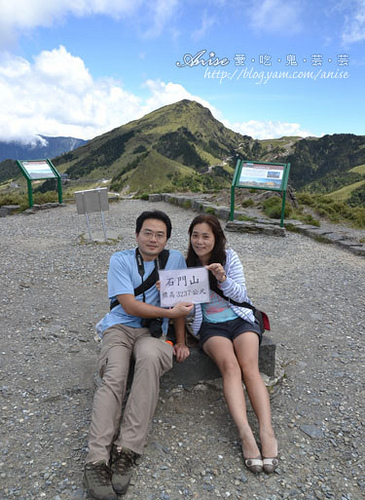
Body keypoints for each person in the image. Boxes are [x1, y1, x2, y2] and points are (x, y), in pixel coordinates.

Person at [84, 210, 193, 500]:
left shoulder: (176, 261)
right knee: (114, 375)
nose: (153, 239)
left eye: (160, 234)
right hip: (119, 328)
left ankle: (127, 450)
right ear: (136, 235)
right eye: (148, 232)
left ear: (167, 239)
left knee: (147, 361)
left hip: (154, 334)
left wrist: (180, 340)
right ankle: (96, 459)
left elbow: (181, 305)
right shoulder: (120, 260)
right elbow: (129, 306)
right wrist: (169, 312)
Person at [186, 214, 278, 474]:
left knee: (249, 367)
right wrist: (182, 300)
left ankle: (266, 430)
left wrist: (223, 279)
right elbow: (191, 312)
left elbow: (242, 296)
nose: (200, 241)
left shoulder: (230, 257)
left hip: (240, 320)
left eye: (206, 236)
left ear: (216, 238)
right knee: (230, 366)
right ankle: (246, 433)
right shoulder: (187, 265)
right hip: (211, 326)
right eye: (195, 235)